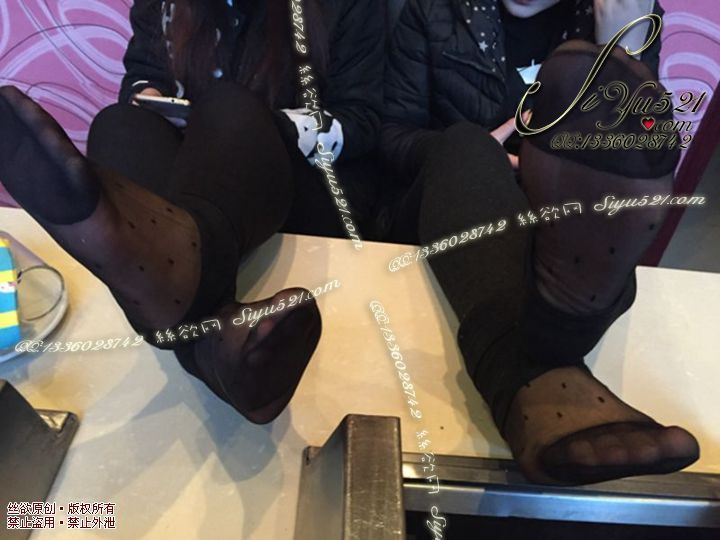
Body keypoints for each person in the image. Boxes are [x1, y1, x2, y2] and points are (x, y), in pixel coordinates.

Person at [0, 0, 383, 424]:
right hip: (192, 186)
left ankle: (138, 255)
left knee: (228, 106)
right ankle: (210, 351)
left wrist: (265, 127)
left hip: (294, 191)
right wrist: (149, 97)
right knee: (118, 123)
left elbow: (363, 122)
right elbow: (142, 74)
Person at [381, 0, 700, 485]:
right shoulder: (435, 9)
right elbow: (390, 136)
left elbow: (627, 159)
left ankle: (538, 356)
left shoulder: (629, 15)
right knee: (465, 143)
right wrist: (489, 153)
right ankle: (554, 341)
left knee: (590, 218)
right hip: (433, 211)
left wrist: (621, 49)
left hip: (544, 228)